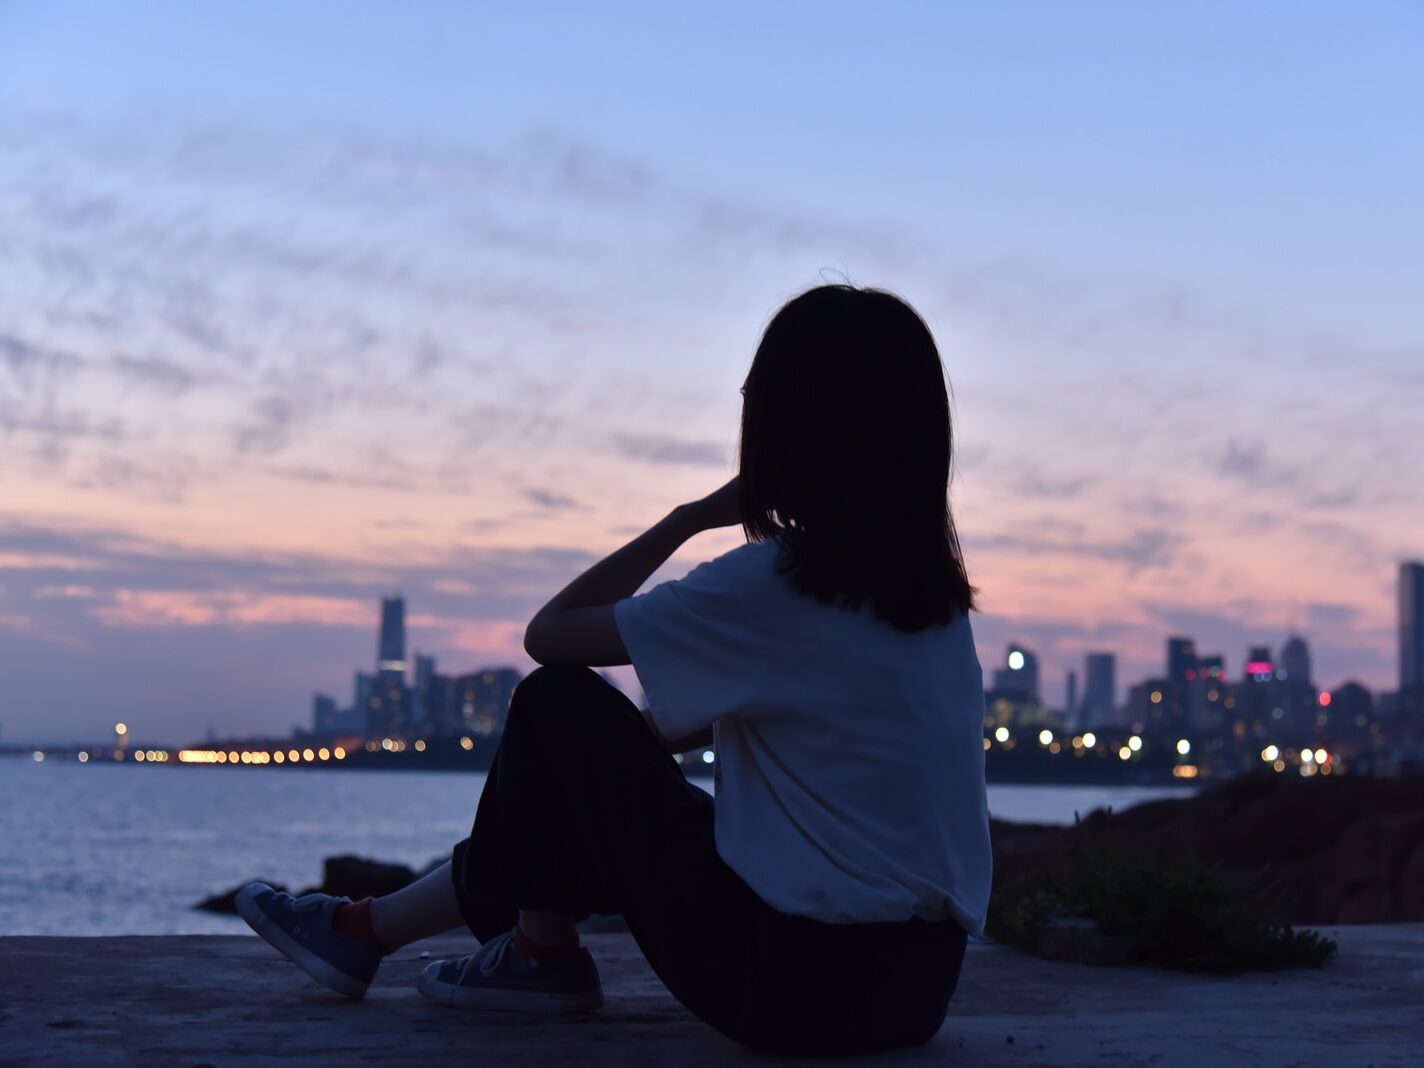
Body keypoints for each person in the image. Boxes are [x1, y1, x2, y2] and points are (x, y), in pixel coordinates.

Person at [236, 283, 992, 1057]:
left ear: (786, 426)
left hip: (790, 988)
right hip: (916, 990)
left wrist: (689, 517)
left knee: (556, 704)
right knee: (567, 786)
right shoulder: (933, 609)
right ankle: (373, 929)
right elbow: (697, 735)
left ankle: (527, 956)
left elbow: (549, 635)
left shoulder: (774, 587)